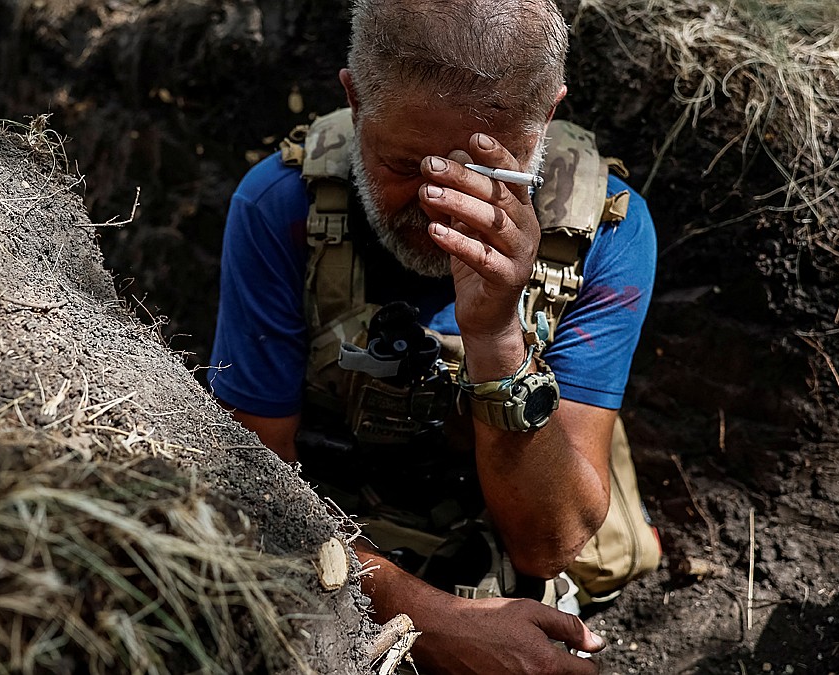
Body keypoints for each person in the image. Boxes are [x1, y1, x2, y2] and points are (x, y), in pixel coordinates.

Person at [210, 0, 658, 672]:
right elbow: (249, 492)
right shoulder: (284, 207)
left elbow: (548, 542)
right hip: (338, 531)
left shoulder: (603, 233)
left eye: (483, 171)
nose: (436, 201)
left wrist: (498, 330)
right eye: (404, 164)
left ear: (547, 121)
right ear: (355, 101)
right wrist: (435, 618)